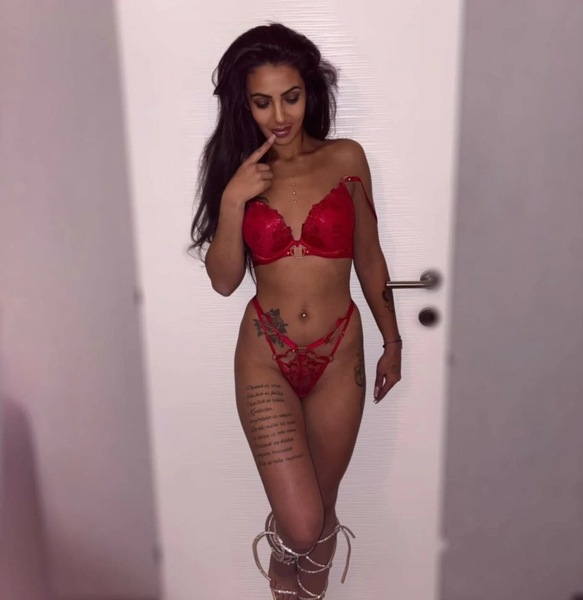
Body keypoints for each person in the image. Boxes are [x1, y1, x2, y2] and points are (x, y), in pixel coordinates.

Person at [190, 22, 401, 600]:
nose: (279, 115)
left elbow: (370, 257)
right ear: (245, 104)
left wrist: (393, 341)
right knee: (303, 523)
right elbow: (224, 281)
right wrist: (233, 199)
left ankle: (308, 585)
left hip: (339, 355)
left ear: (311, 92)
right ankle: (286, 560)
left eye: (291, 97)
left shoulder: (346, 158)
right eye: (262, 102)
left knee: (324, 507)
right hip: (267, 356)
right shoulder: (237, 173)